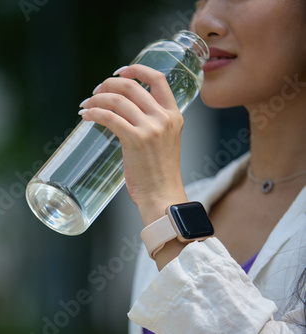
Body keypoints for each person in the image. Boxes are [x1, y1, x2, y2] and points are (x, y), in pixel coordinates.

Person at [78, 0, 306, 333]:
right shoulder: (187, 204)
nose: (204, 22)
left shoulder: (165, 213)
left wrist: (163, 206)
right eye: (200, 1)